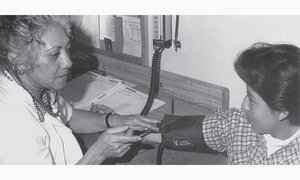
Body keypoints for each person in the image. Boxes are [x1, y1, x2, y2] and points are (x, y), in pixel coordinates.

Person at [0, 15, 159, 165]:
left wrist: (113, 120)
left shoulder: (35, 85)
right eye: (55, 54)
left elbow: (68, 116)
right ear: (17, 60)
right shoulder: (12, 123)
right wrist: (98, 153)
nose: (68, 62)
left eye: (67, 49)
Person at [146, 42, 300, 164]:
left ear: (282, 112)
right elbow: (197, 131)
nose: (243, 106)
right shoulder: (241, 123)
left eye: (252, 100)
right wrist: (138, 132)